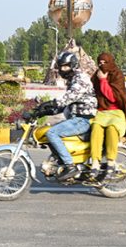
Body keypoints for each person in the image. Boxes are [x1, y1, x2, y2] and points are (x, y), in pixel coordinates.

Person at [38, 51, 98, 181]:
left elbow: (70, 97)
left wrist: (51, 103)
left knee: (52, 133)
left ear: (73, 65)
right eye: (61, 67)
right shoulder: (72, 79)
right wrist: (43, 111)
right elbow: (65, 105)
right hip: (76, 118)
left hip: (83, 119)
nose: (62, 69)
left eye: (65, 66)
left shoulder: (81, 78)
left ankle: (70, 166)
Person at [89, 52, 126, 178]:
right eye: (100, 63)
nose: (102, 65)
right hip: (101, 112)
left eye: (105, 62)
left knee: (112, 129)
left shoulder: (117, 75)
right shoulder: (96, 76)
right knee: (96, 129)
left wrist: (103, 81)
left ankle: (111, 162)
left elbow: (112, 97)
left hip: (116, 112)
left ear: (111, 62)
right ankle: (95, 162)